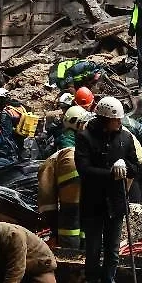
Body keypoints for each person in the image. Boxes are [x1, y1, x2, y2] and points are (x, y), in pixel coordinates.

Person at [75, 96, 141, 283]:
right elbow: (84, 169)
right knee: (93, 249)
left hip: (116, 202)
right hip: (94, 202)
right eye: (116, 119)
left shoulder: (125, 138)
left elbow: (135, 167)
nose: (120, 122)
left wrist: (126, 166)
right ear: (105, 119)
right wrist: (111, 173)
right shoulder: (85, 137)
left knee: (112, 250)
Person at [37, 105, 91, 248]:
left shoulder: (66, 145)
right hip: (87, 172)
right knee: (84, 214)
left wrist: (53, 227)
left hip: (69, 170)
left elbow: (47, 204)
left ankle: (70, 253)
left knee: (69, 216)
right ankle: (85, 250)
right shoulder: (85, 138)